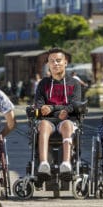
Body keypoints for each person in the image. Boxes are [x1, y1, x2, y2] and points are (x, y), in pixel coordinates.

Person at [34, 47, 82, 177]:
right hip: (48, 122)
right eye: (52, 61)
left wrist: (53, 109)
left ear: (65, 62)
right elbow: (38, 105)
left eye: (59, 60)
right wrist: (53, 110)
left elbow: (75, 104)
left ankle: (66, 163)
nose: (55, 64)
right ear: (48, 64)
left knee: (67, 124)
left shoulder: (74, 83)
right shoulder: (43, 83)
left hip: (67, 121)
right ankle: (44, 163)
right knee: (43, 124)